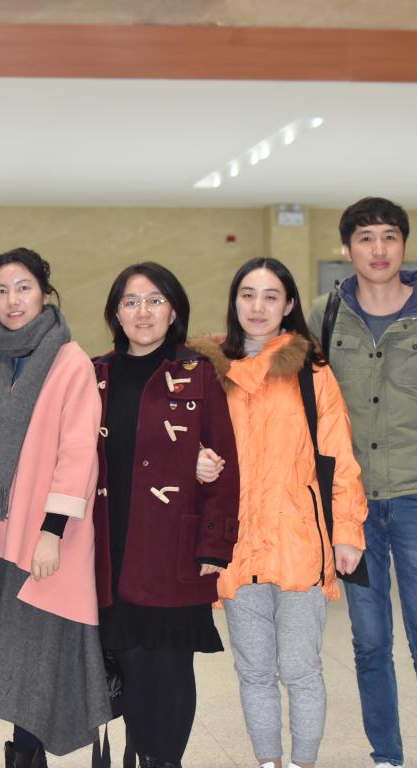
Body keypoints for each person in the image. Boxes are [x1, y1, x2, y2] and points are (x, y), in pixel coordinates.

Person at [308, 197, 417, 768]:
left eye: (389, 236)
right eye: (365, 238)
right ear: (347, 249)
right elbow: (293, 399)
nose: (378, 249)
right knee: (369, 643)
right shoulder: (324, 315)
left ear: (404, 244)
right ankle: (386, 755)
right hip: (353, 508)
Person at [195, 257, 367, 768]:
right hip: (234, 542)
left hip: (300, 542)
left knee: (300, 669)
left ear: (289, 304)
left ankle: (303, 762)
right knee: (253, 671)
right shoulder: (209, 372)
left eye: (271, 296)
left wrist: (348, 531)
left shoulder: (312, 372)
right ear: (234, 302)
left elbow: (338, 456)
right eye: (248, 295)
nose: (258, 307)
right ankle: (268, 762)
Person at [0, 247, 109, 766]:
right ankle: (22, 754)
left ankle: (26, 753)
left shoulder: (70, 363)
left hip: (44, 537)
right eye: (1, 290)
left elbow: (78, 452)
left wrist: (52, 531)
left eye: (23, 288)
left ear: (45, 293)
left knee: (34, 660)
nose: (12, 300)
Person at [92, 262, 241, 768]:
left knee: (170, 674)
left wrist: (215, 544)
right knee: (127, 668)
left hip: (173, 551)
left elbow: (224, 467)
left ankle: (164, 760)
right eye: (131, 301)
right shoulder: (96, 375)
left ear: (173, 311)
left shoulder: (198, 376)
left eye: (155, 300)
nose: (143, 312)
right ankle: (139, 753)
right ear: (115, 312)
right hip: (108, 553)